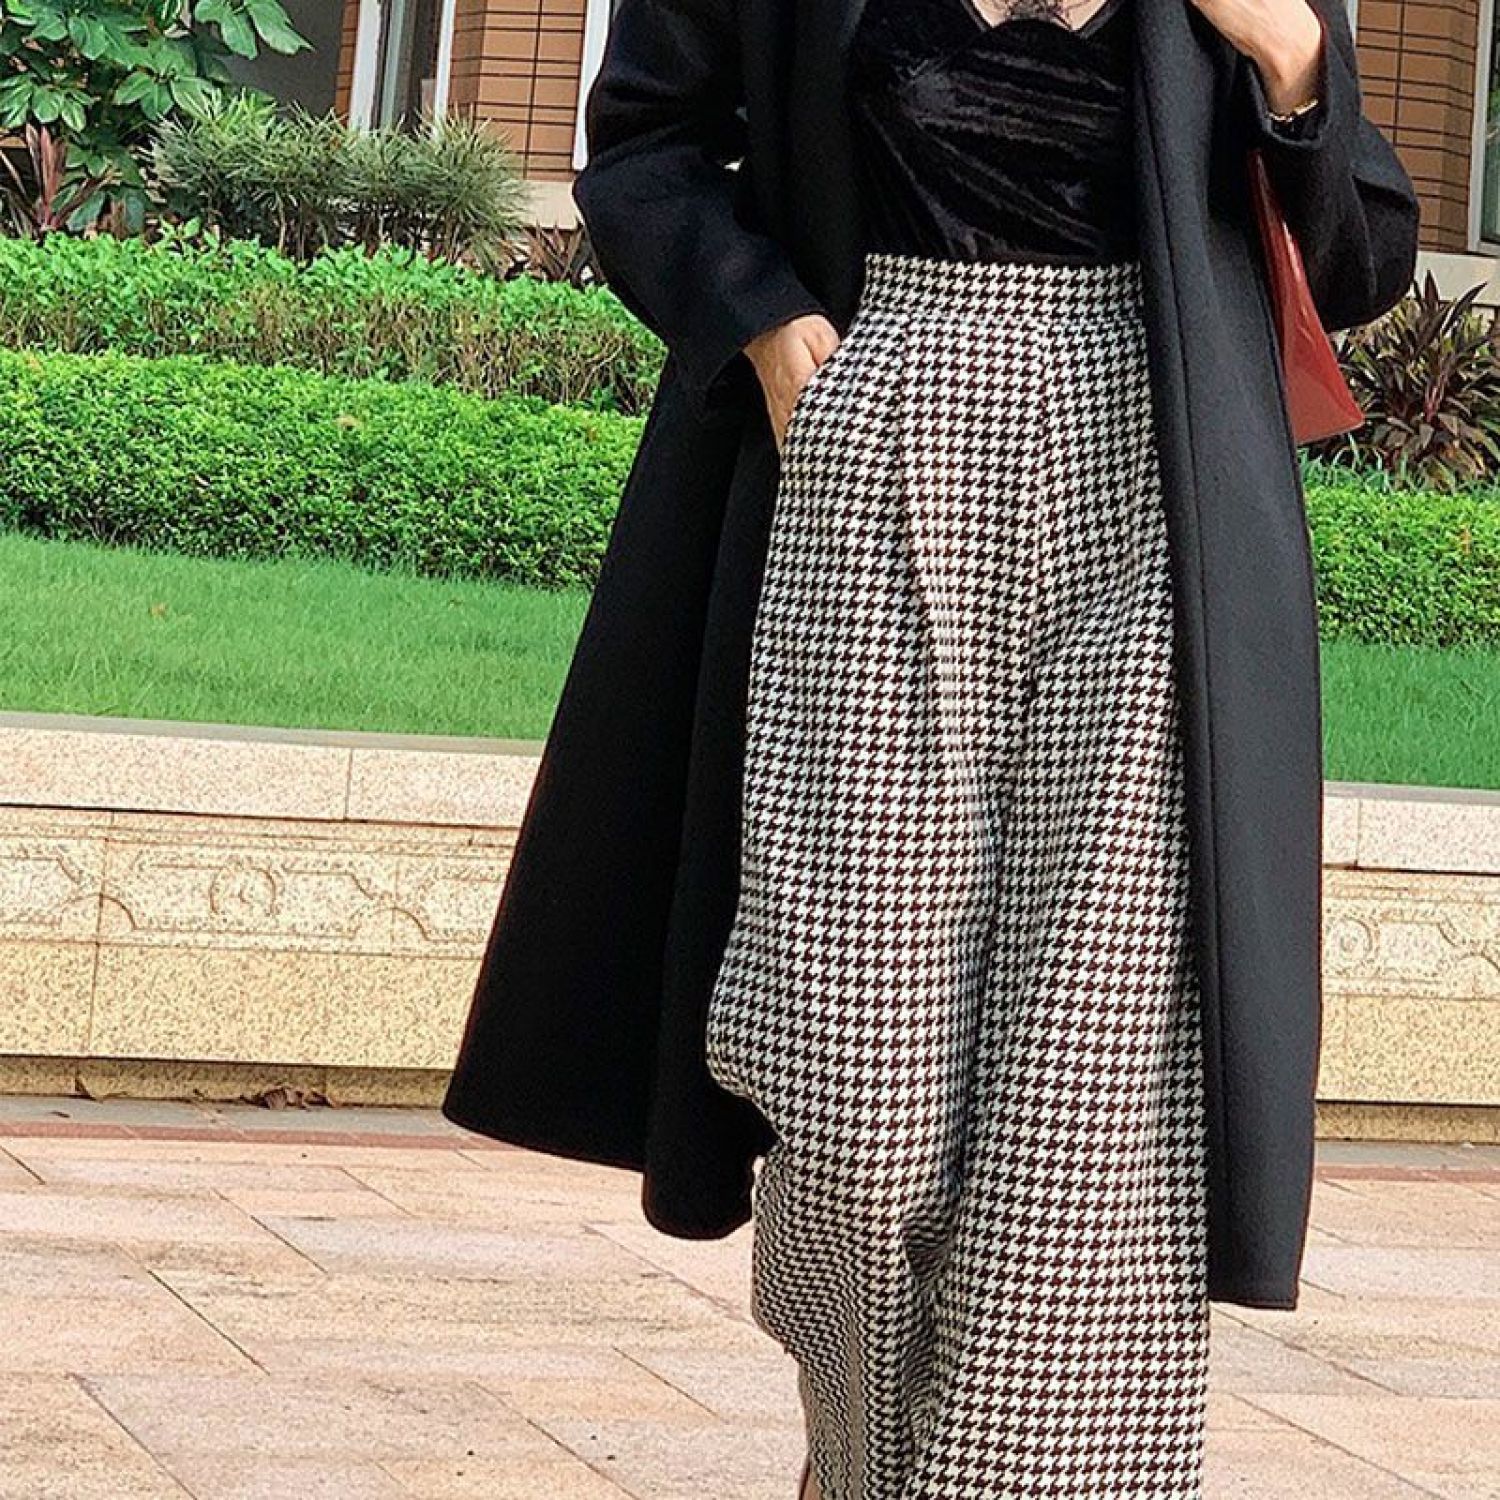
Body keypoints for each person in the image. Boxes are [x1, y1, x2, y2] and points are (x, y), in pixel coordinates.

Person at [440, 0, 1419, 1492]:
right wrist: (762, 321)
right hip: (881, 430)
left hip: (1150, 480)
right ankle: (858, 1458)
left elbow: (1360, 262)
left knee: (1084, 1114)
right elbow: (642, 146)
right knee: (849, 1088)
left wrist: (1293, 61)